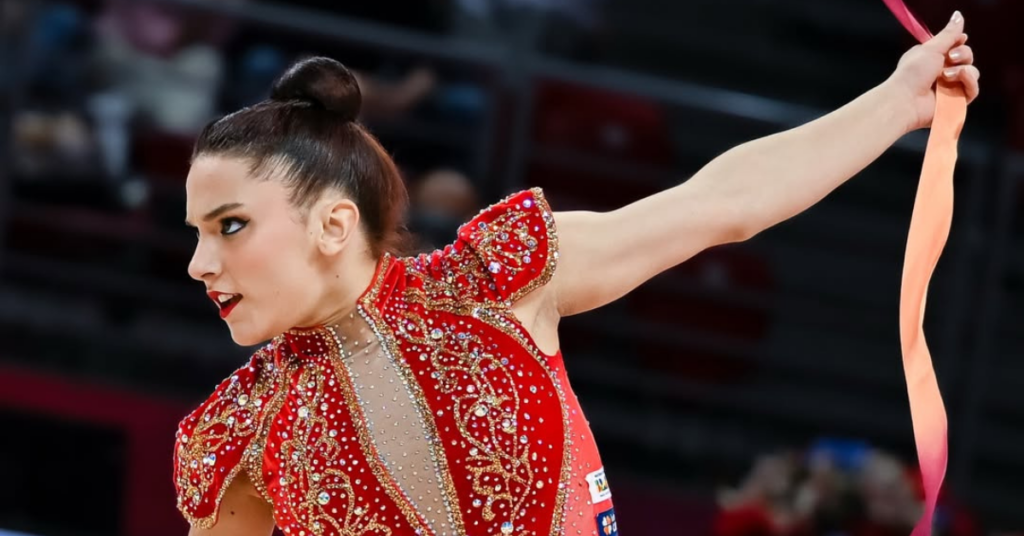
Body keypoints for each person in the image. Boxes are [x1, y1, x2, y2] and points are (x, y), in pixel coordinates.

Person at [174, 12, 980, 536]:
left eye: (230, 226)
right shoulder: (236, 429)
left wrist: (900, 99)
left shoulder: (495, 281)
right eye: (197, 234)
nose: (200, 263)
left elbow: (724, 201)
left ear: (334, 224)